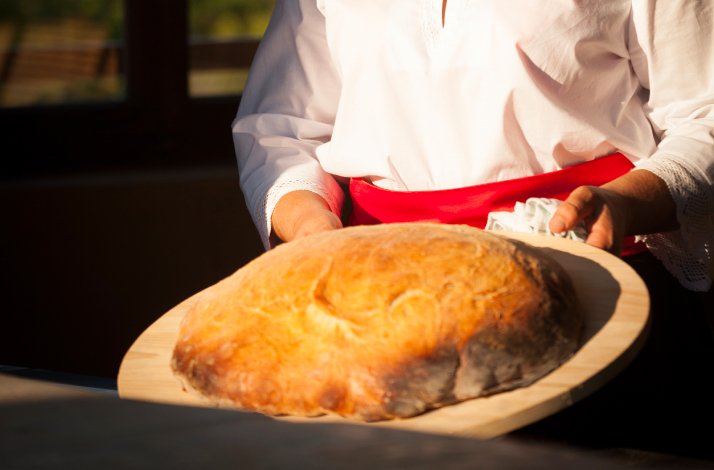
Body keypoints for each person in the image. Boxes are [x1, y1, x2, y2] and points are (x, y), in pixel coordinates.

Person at [233, 0, 713, 457]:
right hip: (381, 311)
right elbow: (280, 128)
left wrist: (625, 202)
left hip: (595, 286)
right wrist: (314, 231)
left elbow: (703, 114)